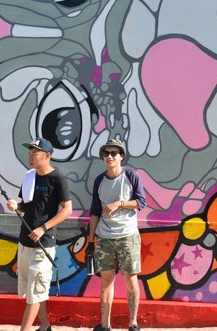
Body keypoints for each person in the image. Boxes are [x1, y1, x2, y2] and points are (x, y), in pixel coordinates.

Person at [6, 137, 73, 331]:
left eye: (35, 153)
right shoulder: (29, 177)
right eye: (30, 153)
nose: (31, 156)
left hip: (43, 245)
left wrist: (44, 228)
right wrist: (15, 206)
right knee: (34, 290)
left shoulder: (57, 179)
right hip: (24, 242)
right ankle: (45, 325)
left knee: (35, 293)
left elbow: (67, 209)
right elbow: (25, 206)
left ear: (47, 156)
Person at [88, 138, 147, 331]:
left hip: (127, 235)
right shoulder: (99, 180)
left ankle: (133, 323)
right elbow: (95, 212)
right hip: (104, 237)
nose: (110, 156)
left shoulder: (131, 175)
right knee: (106, 281)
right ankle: (105, 325)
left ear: (121, 156)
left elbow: (141, 202)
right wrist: (91, 240)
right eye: (106, 153)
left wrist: (119, 203)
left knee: (131, 279)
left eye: (114, 153)